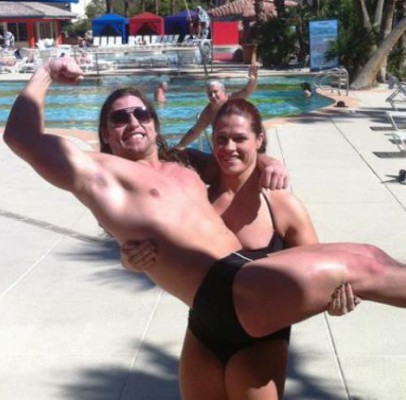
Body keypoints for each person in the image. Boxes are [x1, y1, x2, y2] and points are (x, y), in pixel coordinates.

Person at [4, 58, 406, 394]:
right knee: (363, 260)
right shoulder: (98, 173)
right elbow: (21, 137)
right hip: (219, 295)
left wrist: (267, 160)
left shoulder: (183, 166)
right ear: (104, 133)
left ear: (154, 122)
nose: (132, 122)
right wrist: (46, 72)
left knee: (367, 264)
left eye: (140, 113)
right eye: (118, 118)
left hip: (245, 287)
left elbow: (235, 152)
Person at [121, 98, 358, 399]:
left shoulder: (281, 206)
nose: (229, 147)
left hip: (261, 341)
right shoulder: (197, 199)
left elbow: (320, 270)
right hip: (202, 335)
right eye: (221, 139)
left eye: (240, 138)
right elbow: (155, 247)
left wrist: (335, 300)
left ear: (259, 139)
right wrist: (130, 260)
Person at [175, 64, 258, 149]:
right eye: (210, 94)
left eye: (215, 92)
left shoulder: (232, 99)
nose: (213, 96)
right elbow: (195, 131)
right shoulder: (208, 112)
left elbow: (247, 91)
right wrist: (180, 146)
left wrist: (253, 79)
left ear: (223, 91)